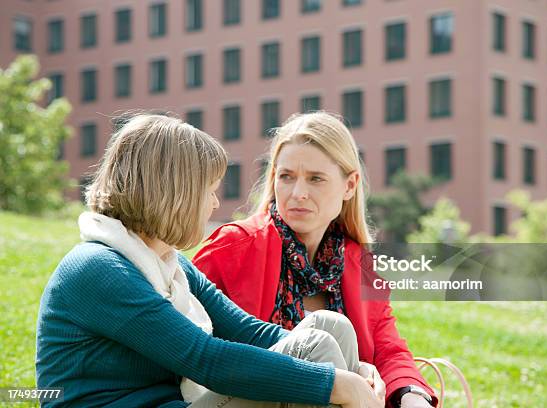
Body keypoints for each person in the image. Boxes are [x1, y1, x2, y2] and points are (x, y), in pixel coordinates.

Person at [35, 114, 384, 408]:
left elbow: (249, 332)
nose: (216, 204)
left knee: (329, 326)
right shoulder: (98, 269)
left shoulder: (170, 264)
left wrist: (355, 373)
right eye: (209, 190)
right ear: (174, 193)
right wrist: (338, 384)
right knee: (319, 351)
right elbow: (206, 360)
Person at [193, 112, 438, 408]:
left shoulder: (359, 265)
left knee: (334, 331)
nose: (298, 193)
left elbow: (390, 350)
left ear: (350, 185)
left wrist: (412, 395)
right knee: (323, 343)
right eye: (286, 177)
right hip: (235, 394)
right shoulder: (232, 247)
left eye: (315, 179)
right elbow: (188, 345)